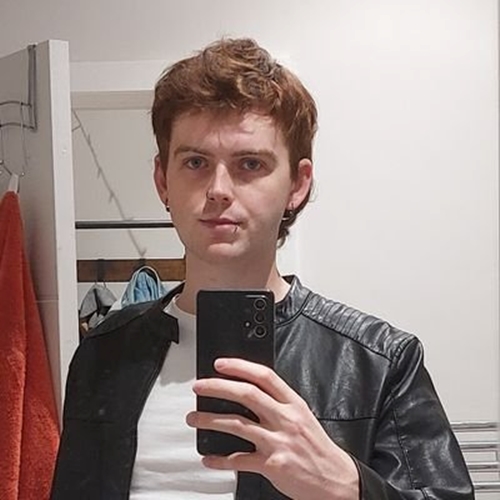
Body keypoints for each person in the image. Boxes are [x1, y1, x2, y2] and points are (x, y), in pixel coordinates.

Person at [50, 38, 473, 500]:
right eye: (195, 162)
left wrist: (348, 486)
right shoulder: (104, 352)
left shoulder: (379, 361)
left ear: (297, 184)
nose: (218, 189)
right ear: (162, 181)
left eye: (250, 164)